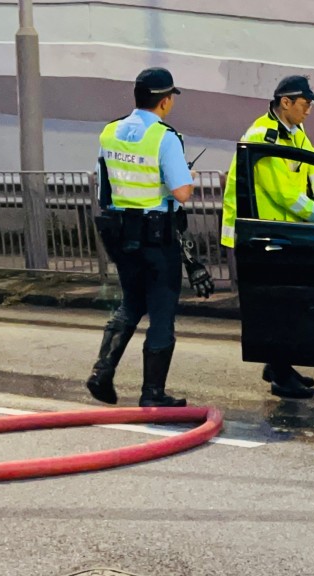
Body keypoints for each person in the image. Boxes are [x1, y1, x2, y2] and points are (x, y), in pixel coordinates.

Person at [220, 75, 314, 400]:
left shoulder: (294, 132)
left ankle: (279, 366)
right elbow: (284, 195)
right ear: (285, 102)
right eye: (305, 104)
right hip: (257, 235)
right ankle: (280, 376)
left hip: (280, 233)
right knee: (274, 308)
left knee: (286, 305)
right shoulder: (264, 136)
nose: (309, 111)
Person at [86, 67, 195, 407]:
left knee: (132, 301)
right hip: (156, 237)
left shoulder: (110, 132)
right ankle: (152, 393)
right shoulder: (165, 138)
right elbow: (182, 193)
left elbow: (106, 184)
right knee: (162, 310)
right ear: (164, 101)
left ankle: (102, 372)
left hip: (121, 235)